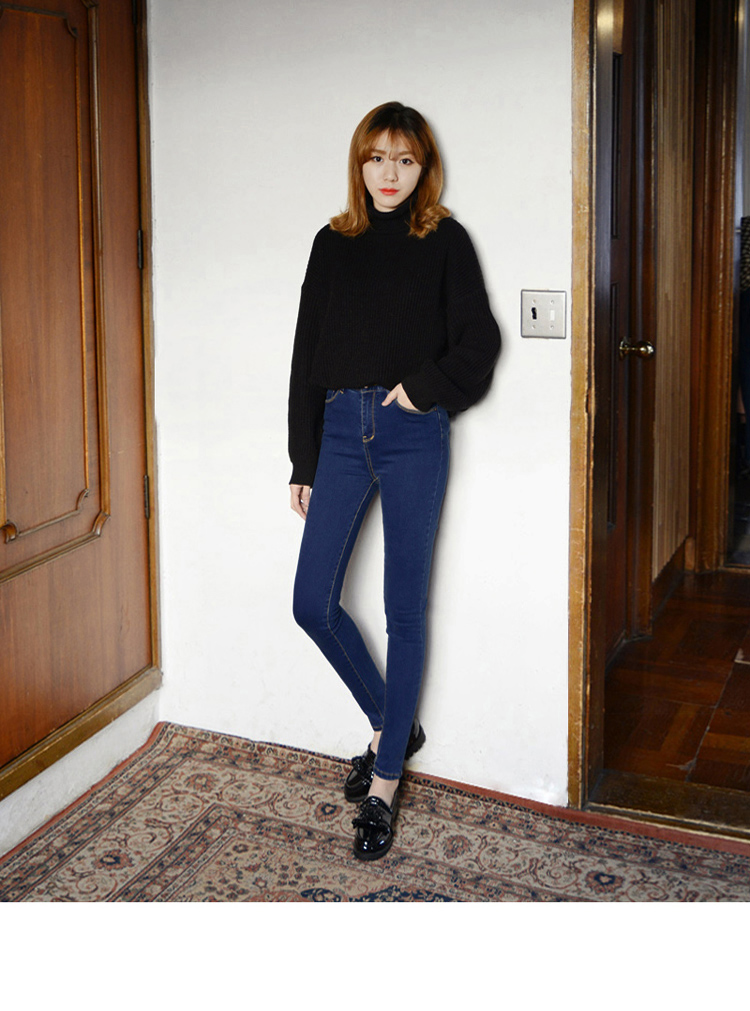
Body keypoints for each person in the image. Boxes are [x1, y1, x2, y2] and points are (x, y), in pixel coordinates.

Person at [288, 101, 501, 861]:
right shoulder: (332, 243)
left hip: (413, 435)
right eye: (377, 157)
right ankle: (393, 722)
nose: (390, 173)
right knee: (311, 602)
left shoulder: (444, 241)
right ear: (360, 163)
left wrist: (420, 390)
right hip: (340, 433)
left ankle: (384, 783)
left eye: (405, 160)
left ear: (423, 168)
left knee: (403, 609)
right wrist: (303, 459)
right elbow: (306, 352)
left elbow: (480, 340)